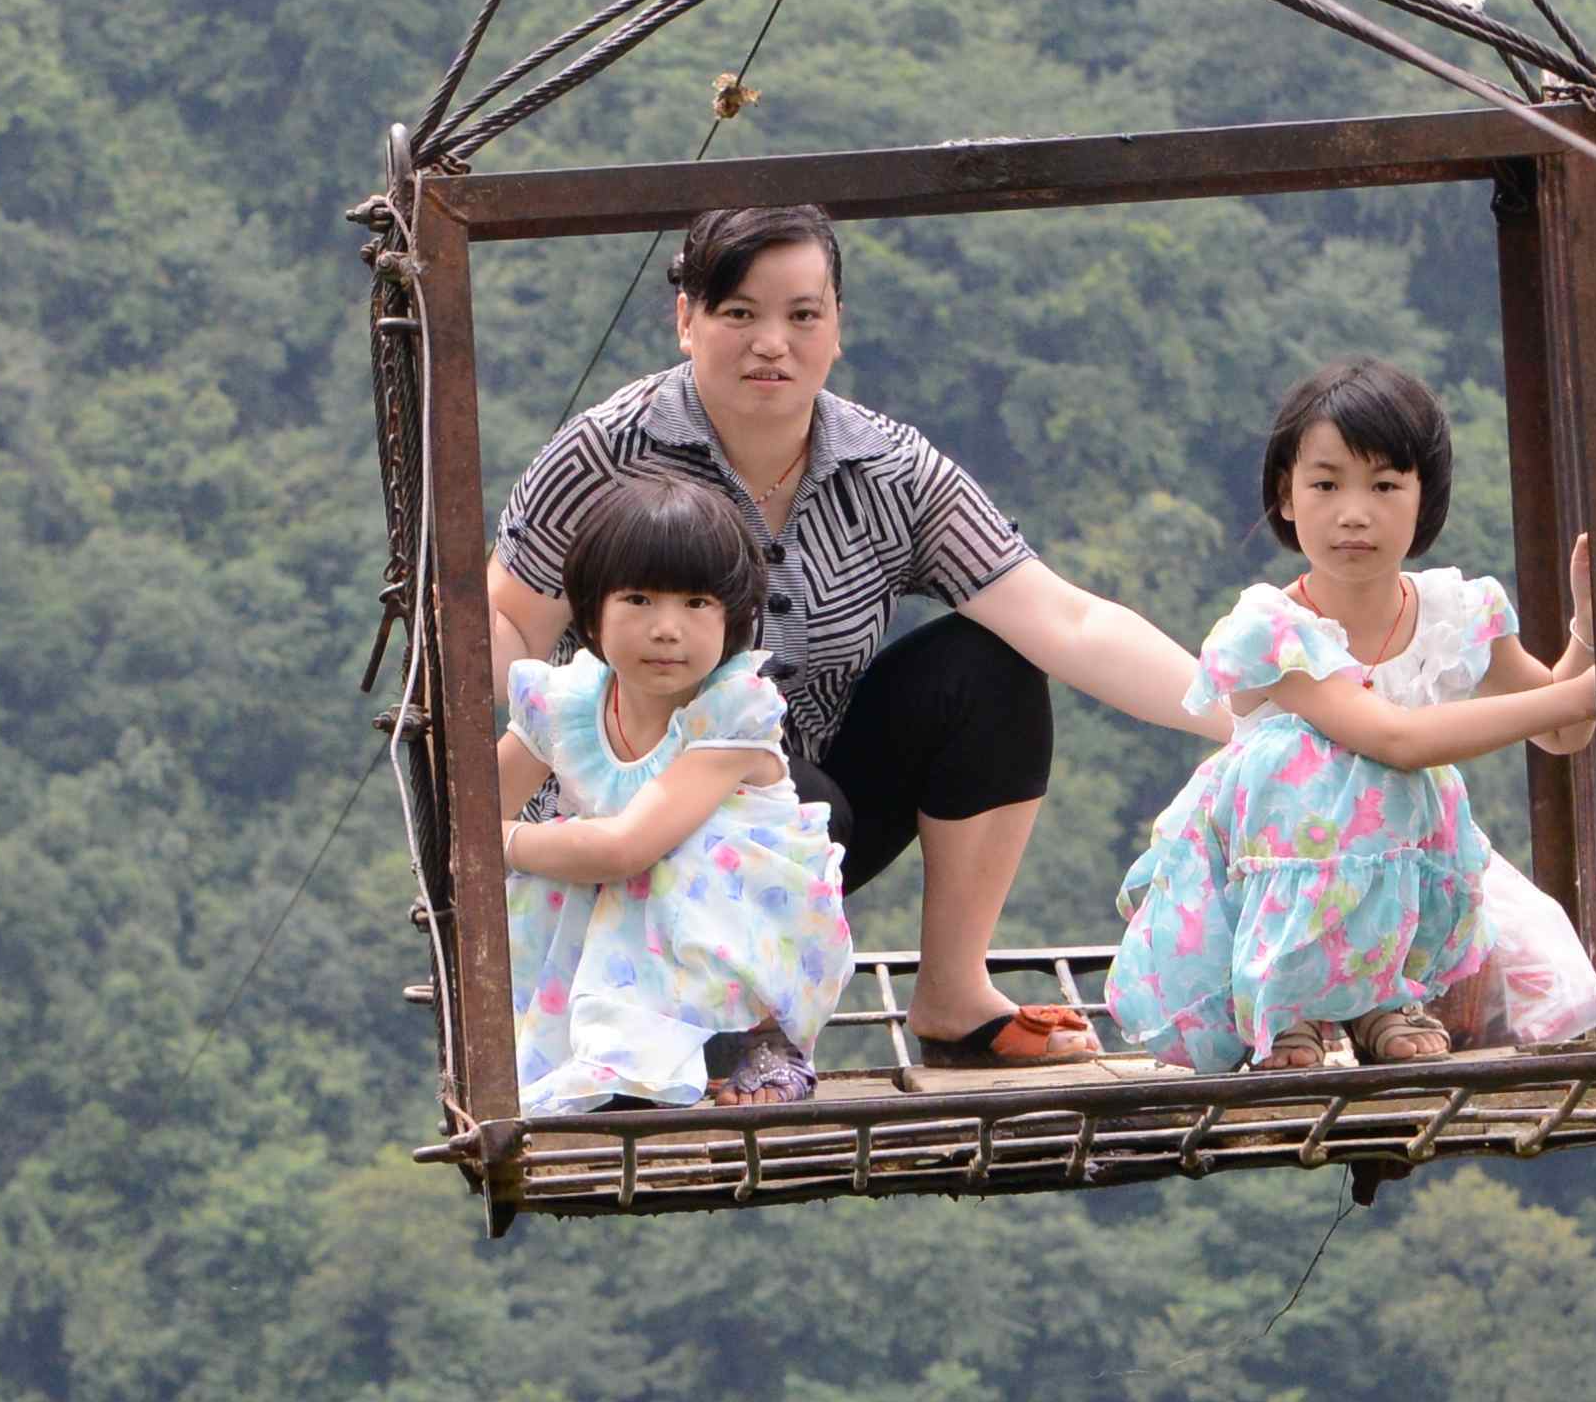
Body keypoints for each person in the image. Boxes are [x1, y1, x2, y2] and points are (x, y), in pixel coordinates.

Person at [490, 202, 1221, 1069]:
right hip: (617, 812)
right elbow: (504, 624)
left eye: (802, 314)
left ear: (836, 327)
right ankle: (691, 1023)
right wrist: (501, 805)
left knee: (987, 666)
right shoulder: (607, 453)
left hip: (798, 828)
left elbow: (1065, 619)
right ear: (685, 319)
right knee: (805, 800)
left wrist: (1243, 713)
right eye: (739, 313)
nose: (773, 342)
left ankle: (953, 990)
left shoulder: (888, 470)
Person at [1103, 359, 1596, 1074]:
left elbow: (1561, 731)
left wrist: (1586, 634)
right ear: (1286, 495)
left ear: (1422, 496)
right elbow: (1393, 739)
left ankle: (1383, 997)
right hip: (1270, 877)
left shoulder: (1453, 612)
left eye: (1385, 485)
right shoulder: (1271, 628)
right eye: (1326, 483)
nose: (1353, 512)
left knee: (1542, 976)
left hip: (1408, 867)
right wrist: (1583, 693)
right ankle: (1291, 1005)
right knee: (1316, 760)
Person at [497, 473, 855, 1112]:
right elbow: (470, 812)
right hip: (635, 927)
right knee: (547, 874)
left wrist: (502, 842)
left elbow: (626, 848)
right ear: (591, 611)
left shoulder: (731, 713)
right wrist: (493, 842)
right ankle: (602, 1054)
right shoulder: (569, 705)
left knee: (659, 854)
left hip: (751, 925)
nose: (667, 629)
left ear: (734, 619)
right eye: (638, 599)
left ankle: (758, 1043)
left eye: (696, 604)